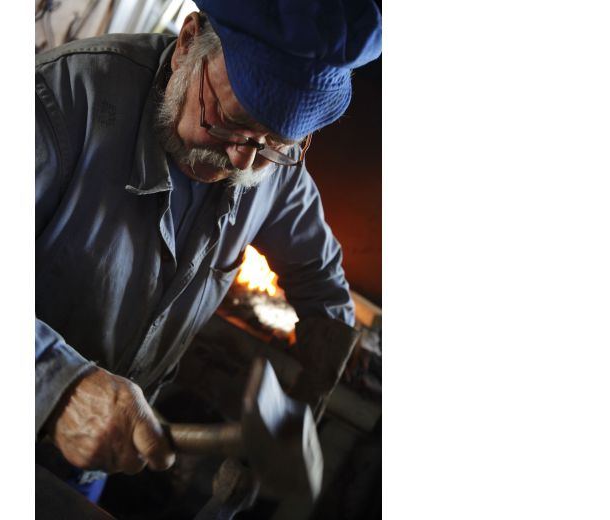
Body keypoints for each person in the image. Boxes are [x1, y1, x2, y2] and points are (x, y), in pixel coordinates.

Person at [34, 0, 382, 499]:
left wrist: (308, 394)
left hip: (93, 469)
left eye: (274, 143)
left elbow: (319, 277)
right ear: (188, 43)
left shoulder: (270, 165)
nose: (241, 160)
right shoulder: (60, 100)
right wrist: (59, 384)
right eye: (227, 120)